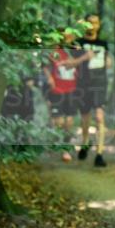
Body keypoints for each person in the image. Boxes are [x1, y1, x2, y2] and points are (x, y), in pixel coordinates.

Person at [44, 30, 85, 162]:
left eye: (70, 35)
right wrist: (49, 77)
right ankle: (54, 139)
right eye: (65, 36)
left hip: (72, 91)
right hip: (57, 90)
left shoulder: (76, 51)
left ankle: (65, 148)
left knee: (69, 122)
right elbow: (45, 65)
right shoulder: (54, 51)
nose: (68, 37)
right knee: (59, 122)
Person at [76, 14, 110, 167]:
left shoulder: (103, 44)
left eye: (95, 22)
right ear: (85, 24)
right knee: (85, 118)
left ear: (99, 25)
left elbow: (107, 61)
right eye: (90, 22)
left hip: (99, 84)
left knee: (99, 116)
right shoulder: (79, 43)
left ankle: (99, 154)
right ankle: (85, 142)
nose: (92, 25)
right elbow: (71, 63)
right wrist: (83, 57)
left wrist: (108, 61)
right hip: (83, 84)